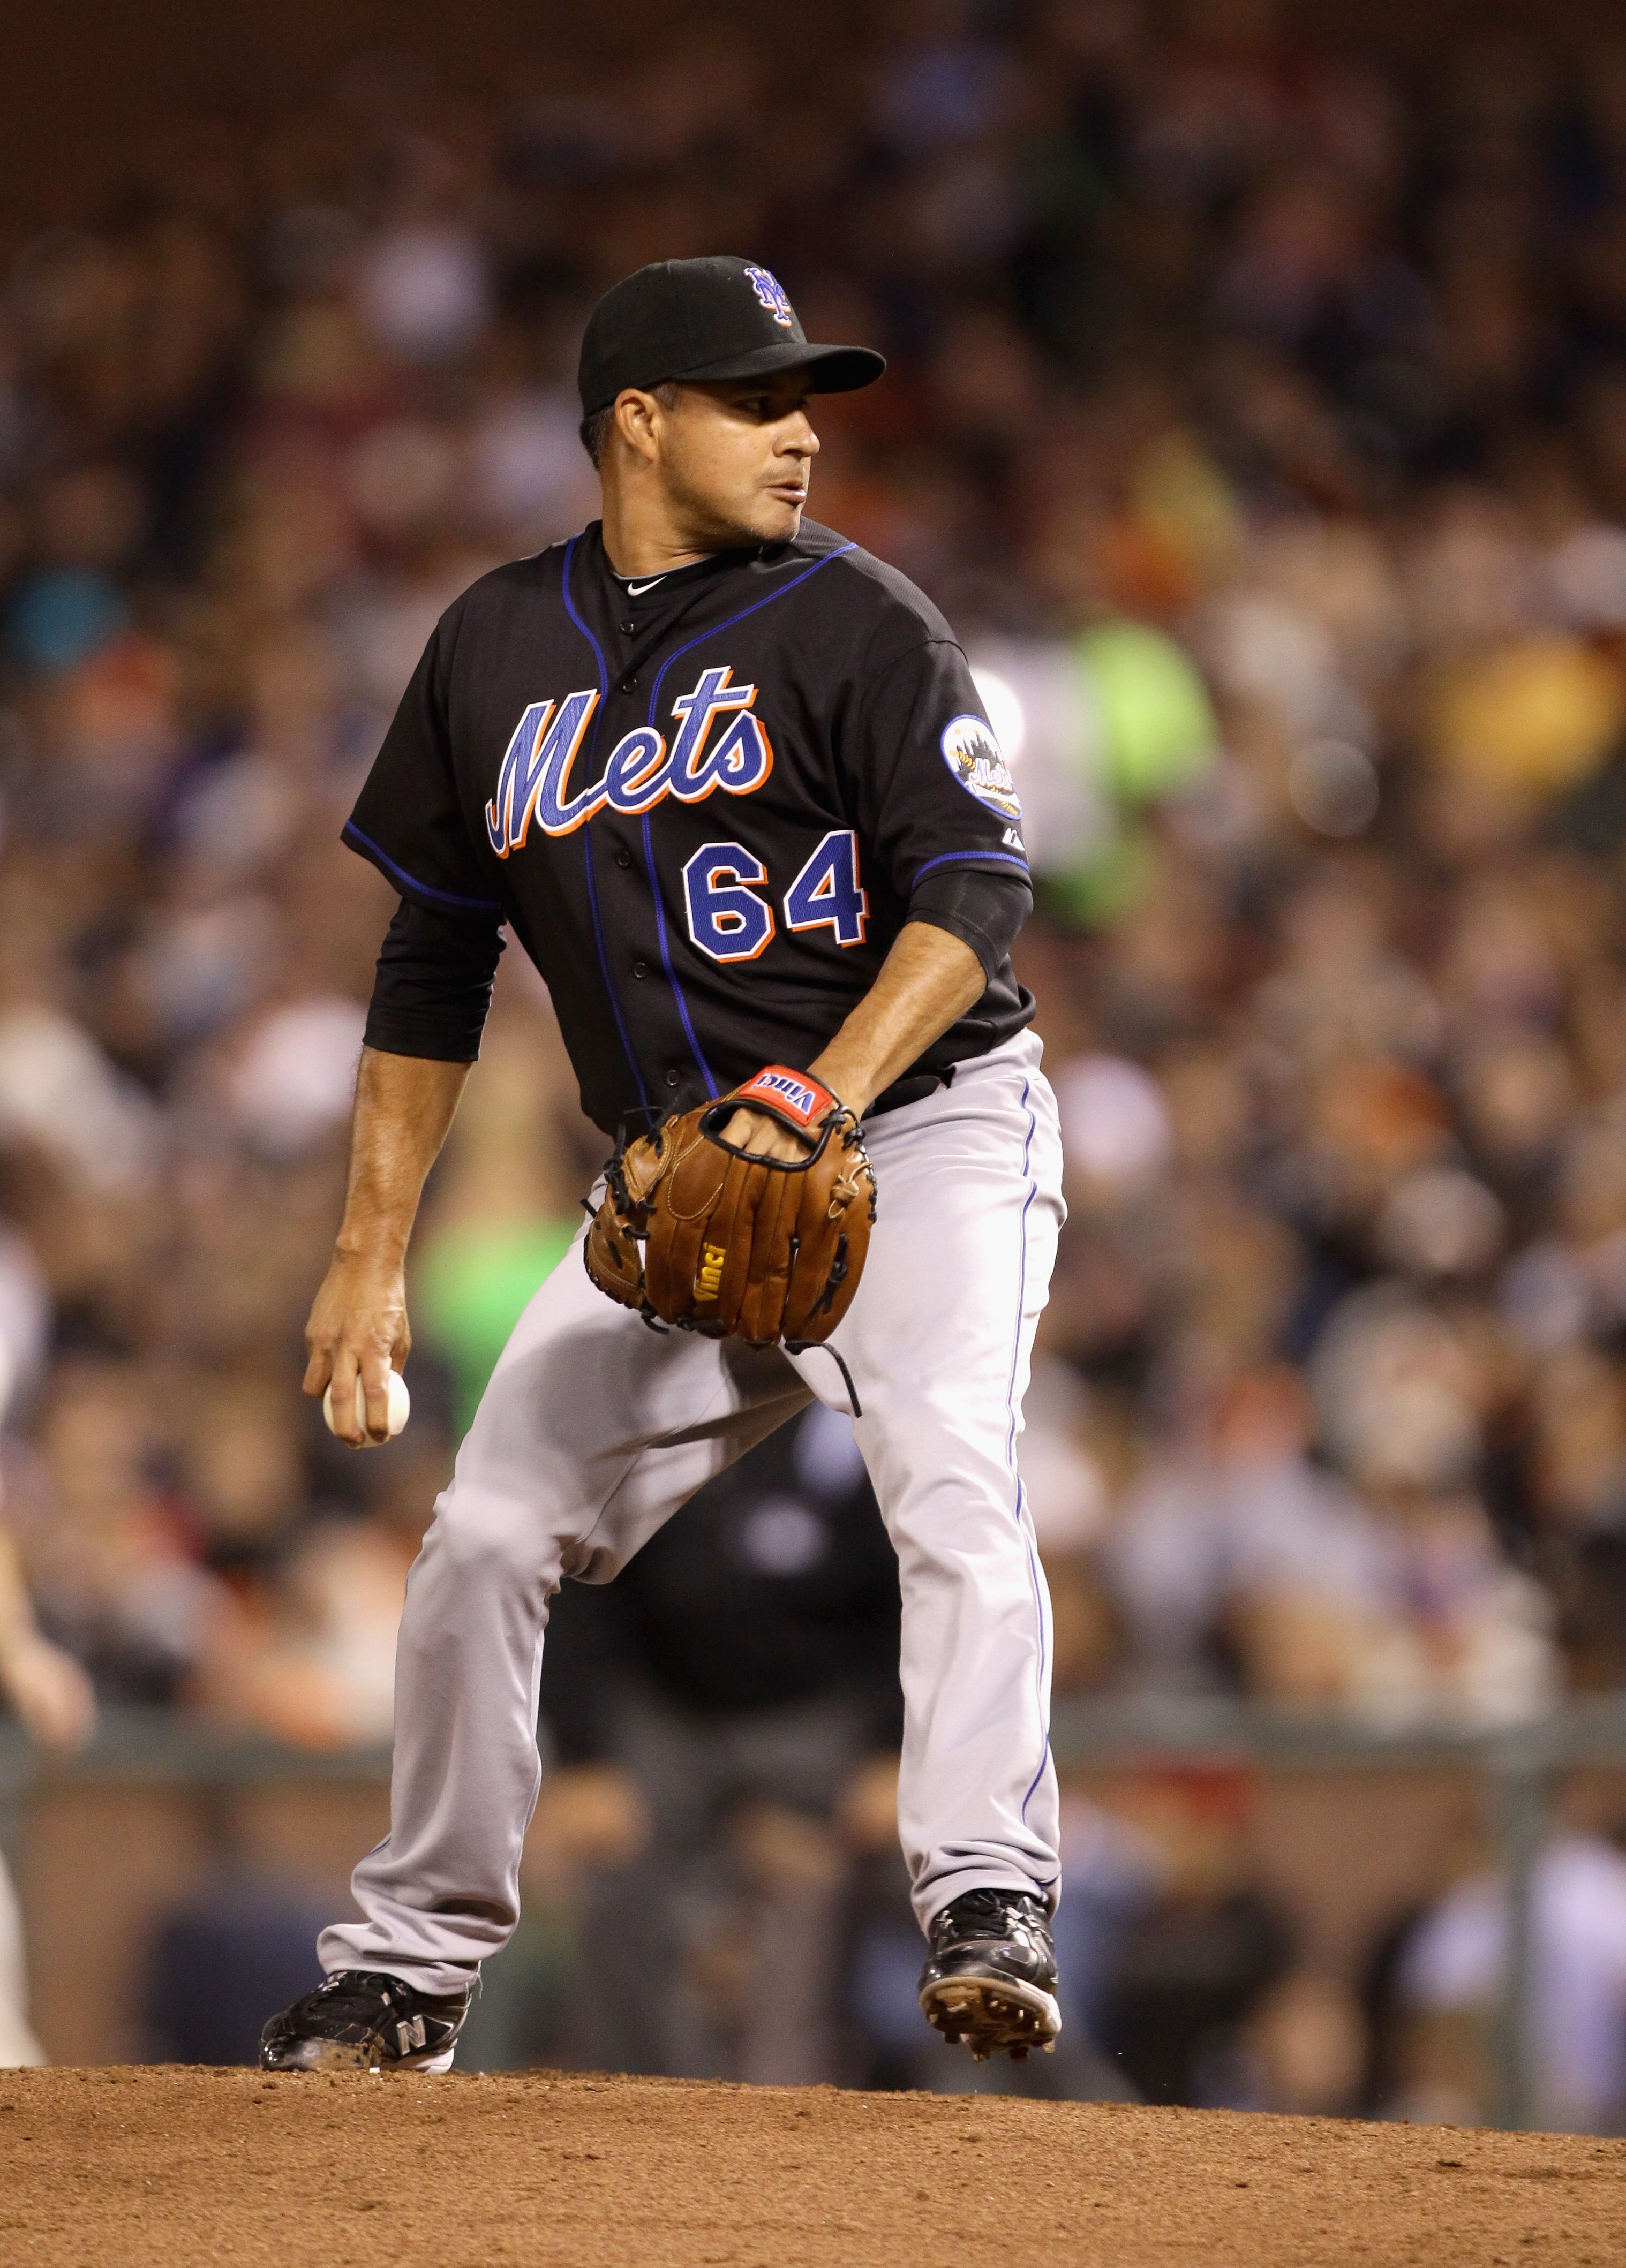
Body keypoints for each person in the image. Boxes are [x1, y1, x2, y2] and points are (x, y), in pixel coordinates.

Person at [259, 257, 1065, 2075]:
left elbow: (975, 894)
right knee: (481, 1533)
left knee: (946, 1474)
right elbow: (430, 956)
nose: (799, 437)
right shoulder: (489, 643)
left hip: (922, 1126)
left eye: (805, 405)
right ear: (639, 420)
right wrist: (369, 1248)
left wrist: (825, 1095)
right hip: (667, 1191)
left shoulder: (862, 620)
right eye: (757, 401)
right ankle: (406, 1970)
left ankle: (986, 1893)